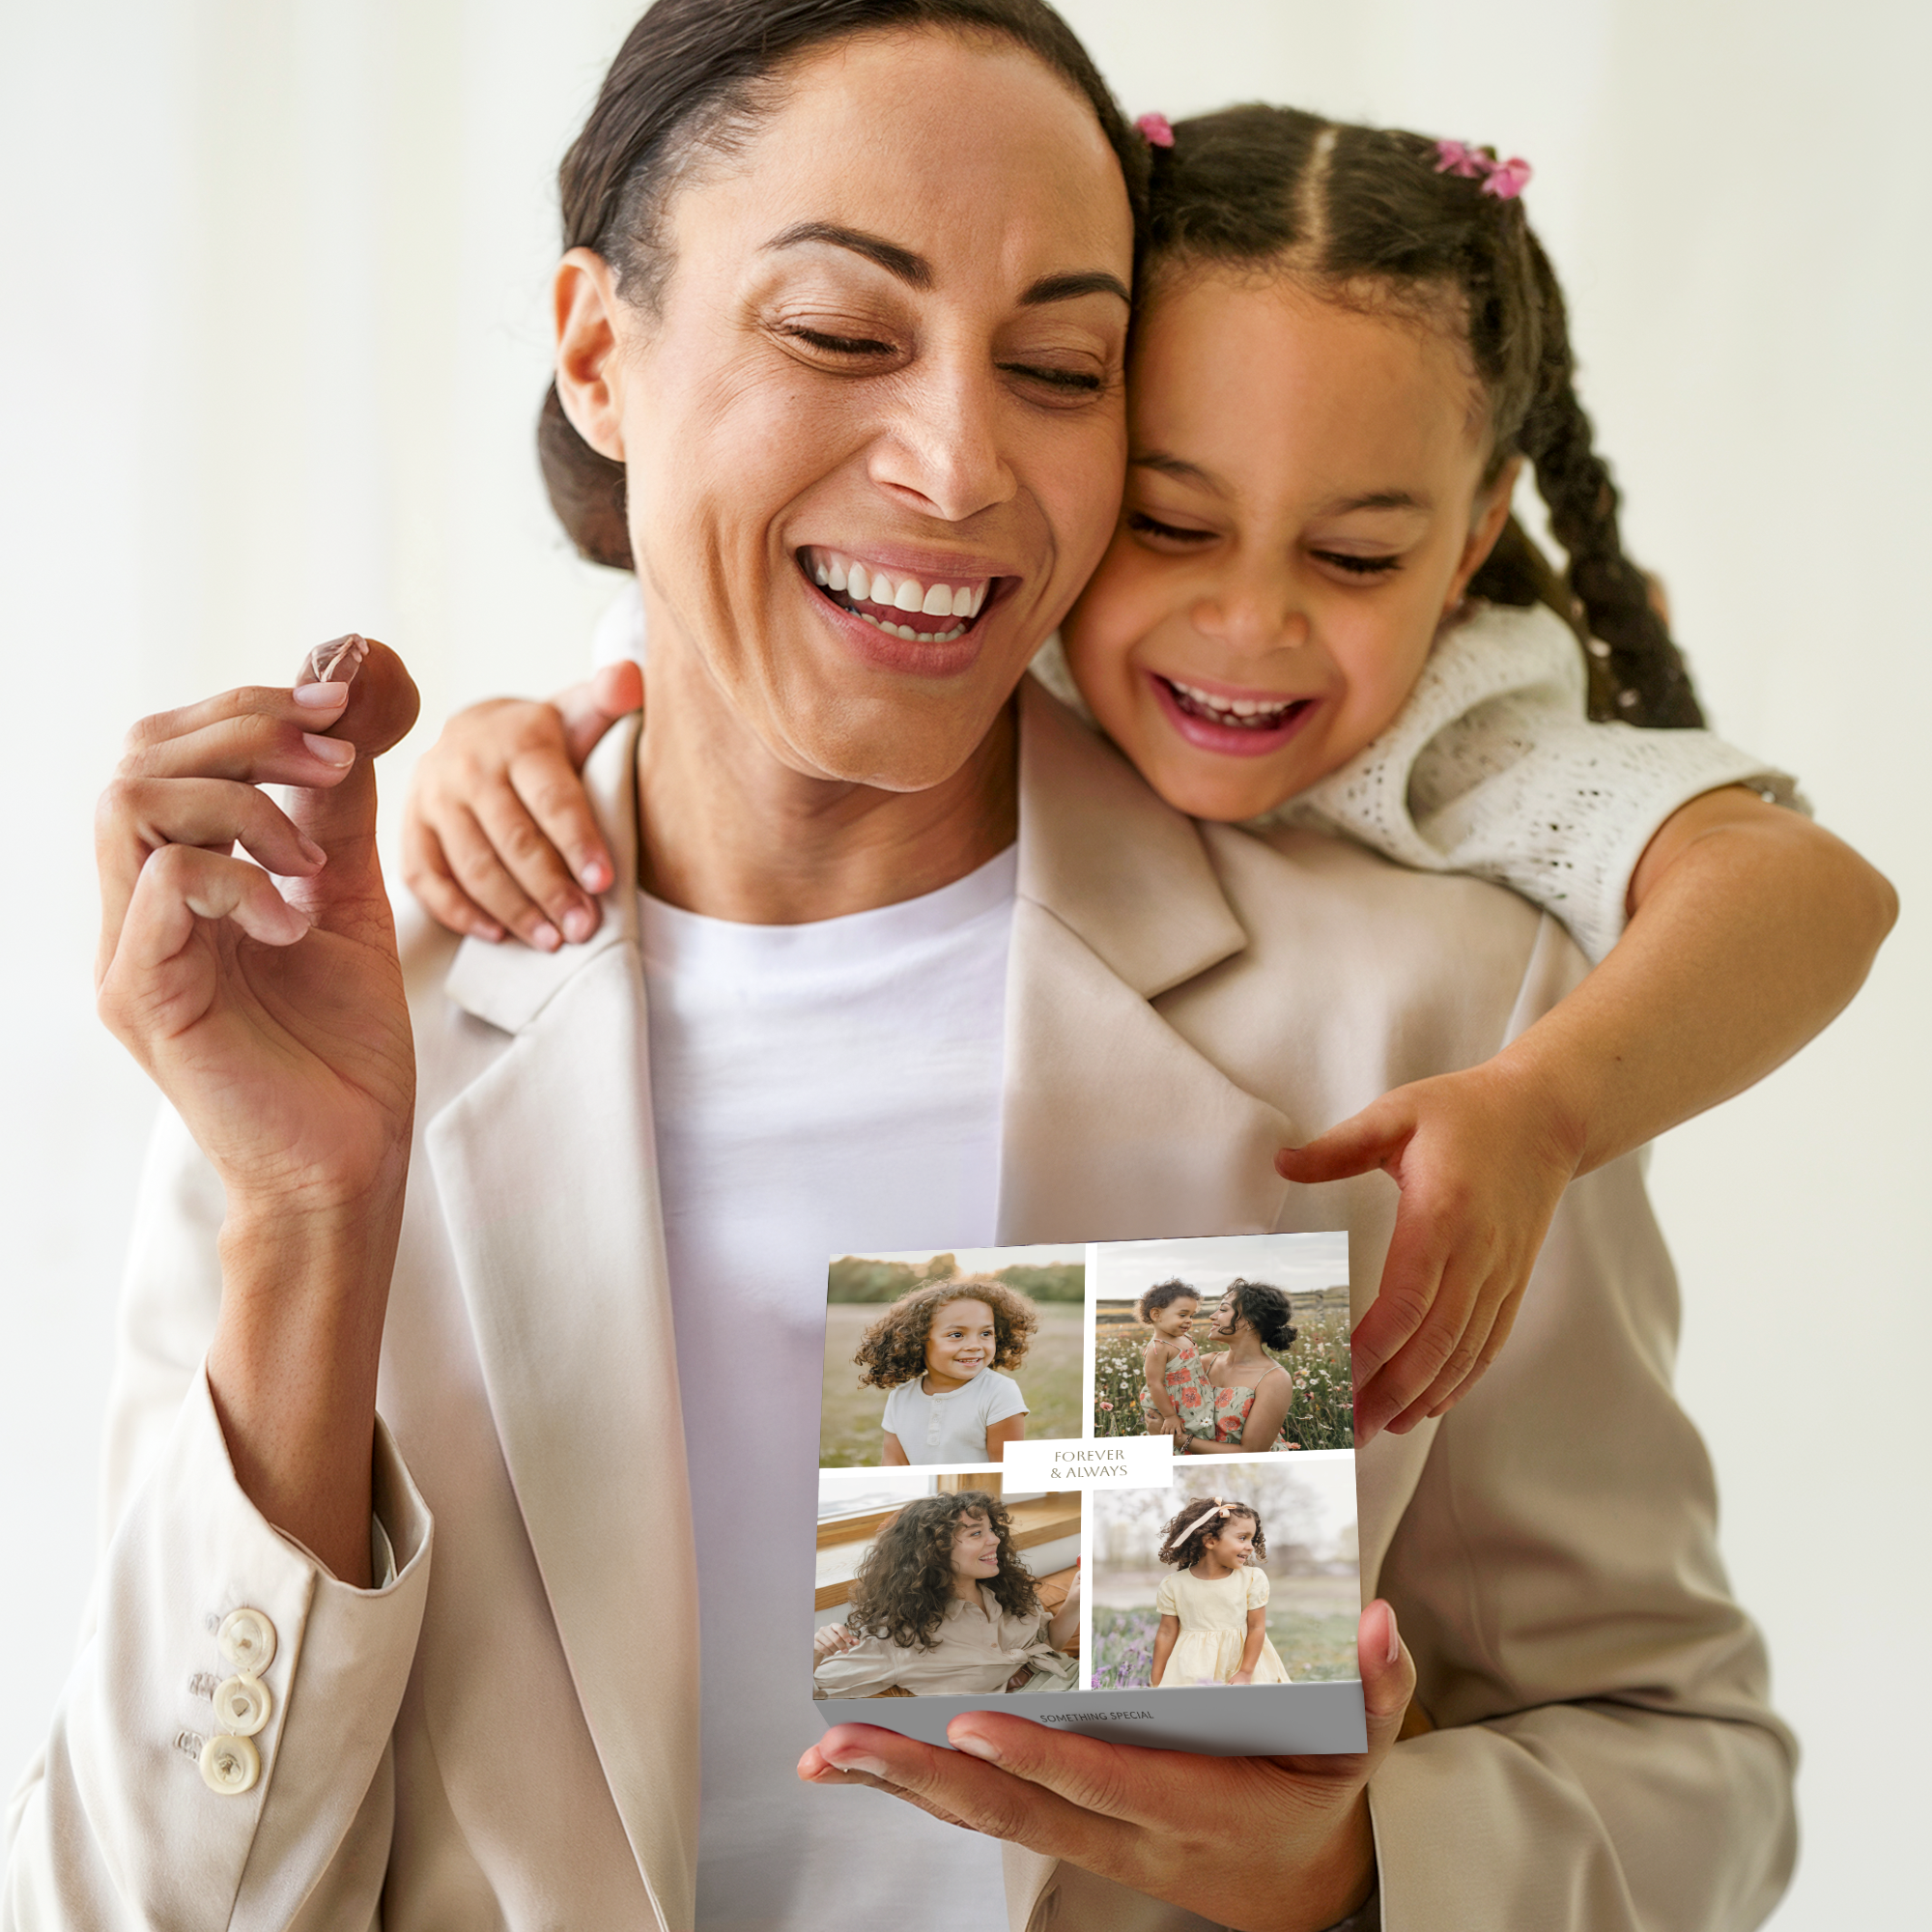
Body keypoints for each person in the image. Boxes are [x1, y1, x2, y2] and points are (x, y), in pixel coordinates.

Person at [12, 5, 1798, 1930]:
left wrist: (1361, 1869)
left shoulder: (1431, 1015)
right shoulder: (341, 1015)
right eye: (843, 333)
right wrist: (302, 1207)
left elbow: (1685, 1760)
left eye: (1057, 364)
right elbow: (136, 1903)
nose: (954, 464)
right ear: (601, 354)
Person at [403, 105, 1898, 1446]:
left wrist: (1546, 1106)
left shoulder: (1456, 737)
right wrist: (503, 739)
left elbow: (1811, 885)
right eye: (1168, 525)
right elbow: (691, 653)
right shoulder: (975, 597)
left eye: (1359, 556)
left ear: (1470, 540)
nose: (1250, 628)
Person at [812, 1492, 1078, 1696]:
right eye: (977, 1533)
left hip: (1078, 1676)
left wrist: (1076, 1600)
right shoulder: (896, 1639)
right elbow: (812, 1691)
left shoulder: (1007, 1590)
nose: (995, 1540)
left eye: (991, 1531)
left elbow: (1049, 1644)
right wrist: (814, 1651)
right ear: (933, 1550)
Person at [856, 1278, 1035, 1465]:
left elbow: (1006, 1470)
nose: (975, 1345)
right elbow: (894, 1465)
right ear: (917, 1340)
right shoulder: (900, 1397)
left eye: (986, 1333)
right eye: (956, 1335)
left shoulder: (999, 1392)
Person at [1148, 1498, 1290, 1688]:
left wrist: (1246, 1672)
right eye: (1242, 1538)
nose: (1250, 1546)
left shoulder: (1252, 1579)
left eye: (1251, 1539)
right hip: (1193, 1668)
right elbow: (1166, 1633)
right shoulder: (1174, 1584)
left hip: (1242, 1665)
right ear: (1211, 1540)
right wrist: (1157, 1679)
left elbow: (1257, 1627)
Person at [1168, 1279, 1298, 1456]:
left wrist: (1179, 1440)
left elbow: (1251, 1451)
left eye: (1223, 1309)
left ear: (1251, 1321)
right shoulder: (1203, 1364)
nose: (1212, 1316)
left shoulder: (1274, 1379)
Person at [1136, 1278, 1211, 1440]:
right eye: (1183, 1315)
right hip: (1173, 1403)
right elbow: (1154, 1383)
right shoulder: (1158, 1348)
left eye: (1191, 1315)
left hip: (1195, 1395)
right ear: (1156, 1314)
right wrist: (1170, 1416)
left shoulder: (1185, 1337)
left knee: (1203, 1428)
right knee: (1181, 1431)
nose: (1189, 1321)